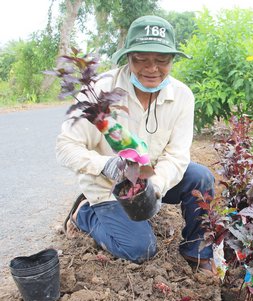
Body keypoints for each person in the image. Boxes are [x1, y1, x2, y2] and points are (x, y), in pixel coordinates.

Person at [56, 15, 215, 271]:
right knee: (140, 249)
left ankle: (196, 251)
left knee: (200, 177)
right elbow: (65, 147)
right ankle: (84, 214)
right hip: (108, 185)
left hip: (150, 179)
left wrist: (155, 186)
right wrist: (105, 165)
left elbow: (177, 156)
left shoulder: (182, 96)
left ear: (172, 60)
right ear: (127, 57)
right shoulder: (100, 91)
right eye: (141, 58)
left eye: (162, 60)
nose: (152, 68)